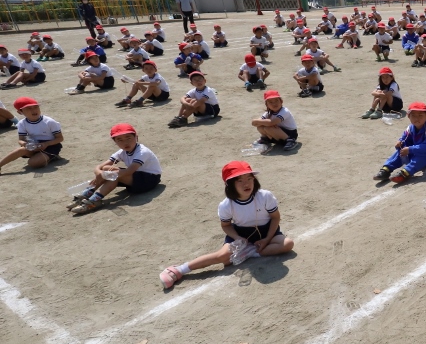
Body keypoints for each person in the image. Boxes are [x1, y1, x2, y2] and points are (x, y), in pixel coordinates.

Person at [158, 161, 295, 290]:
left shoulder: (265, 196)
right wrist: (238, 238)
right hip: (241, 234)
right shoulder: (226, 205)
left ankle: (251, 252)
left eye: (249, 178)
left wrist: (266, 240)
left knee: (288, 244)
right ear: (230, 185)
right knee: (222, 257)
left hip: (267, 231)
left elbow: (275, 217)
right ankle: (179, 269)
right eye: (239, 181)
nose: (246, 184)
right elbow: (226, 225)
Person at [67, 123, 162, 214]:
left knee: (112, 174)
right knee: (106, 169)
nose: (125, 142)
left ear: (136, 137)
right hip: (135, 178)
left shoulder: (142, 151)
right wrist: (99, 174)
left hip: (149, 180)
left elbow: (130, 171)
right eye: (120, 140)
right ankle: (87, 194)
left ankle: (94, 200)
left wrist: (104, 175)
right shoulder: (122, 152)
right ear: (115, 142)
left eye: (128, 138)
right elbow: (99, 167)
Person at [372, 101, 426, 183]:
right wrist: (400, 142)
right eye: (413, 116)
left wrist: (410, 149)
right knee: (401, 150)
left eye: (420, 116)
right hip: (416, 150)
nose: (417, 118)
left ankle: (405, 173)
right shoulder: (410, 128)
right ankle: (386, 169)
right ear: (408, 116)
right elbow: (404, 138)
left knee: (421, 157)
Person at [0, 97, 63, 173]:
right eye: (29, 108)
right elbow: (21, 139)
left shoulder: (49, 122)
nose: (34, 110)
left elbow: (60, 138)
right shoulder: (22, 123)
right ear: (20, 112)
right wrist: (25, 144)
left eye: (36, 107)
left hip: (51, 145)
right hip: (34, 145)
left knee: (33, 163)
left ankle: (52, 157)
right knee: (21, 150)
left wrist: (46, 144)